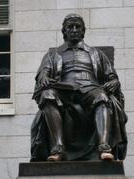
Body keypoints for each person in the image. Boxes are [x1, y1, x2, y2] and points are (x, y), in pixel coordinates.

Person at [31, 13, 127, 162]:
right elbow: (44, 71)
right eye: (70, 27)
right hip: (63, 89)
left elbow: (111, 75)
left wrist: (115, 81)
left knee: (102, 97)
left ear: (83, 31)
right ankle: (58, 148)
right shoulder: (53, 54)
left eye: (78, 27)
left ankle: (103, 147)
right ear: (64, 32)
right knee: (47, 95)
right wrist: (43, 76)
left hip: (90, 87)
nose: (74, 30)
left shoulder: (96, 53)